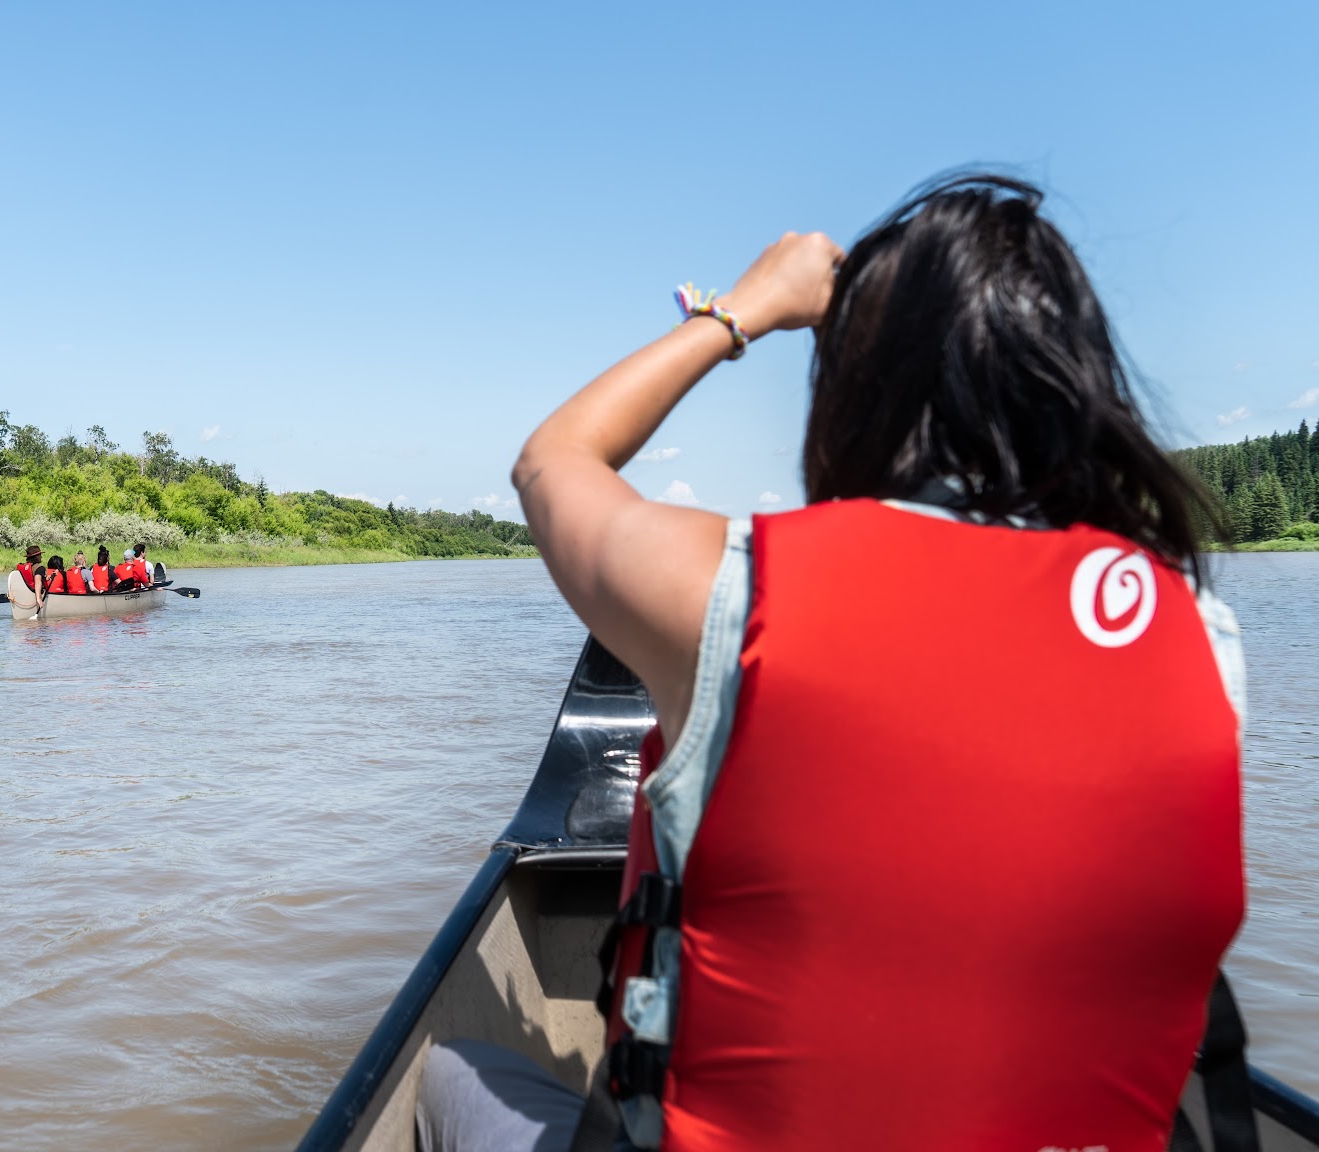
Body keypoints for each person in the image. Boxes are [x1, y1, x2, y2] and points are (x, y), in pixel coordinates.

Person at [423, 175, 1246, 1151]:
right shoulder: (1197, 633)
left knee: (449, 1071)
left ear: (861, 392)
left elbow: (553, 462)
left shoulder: (737, 590)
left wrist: (747, 309)